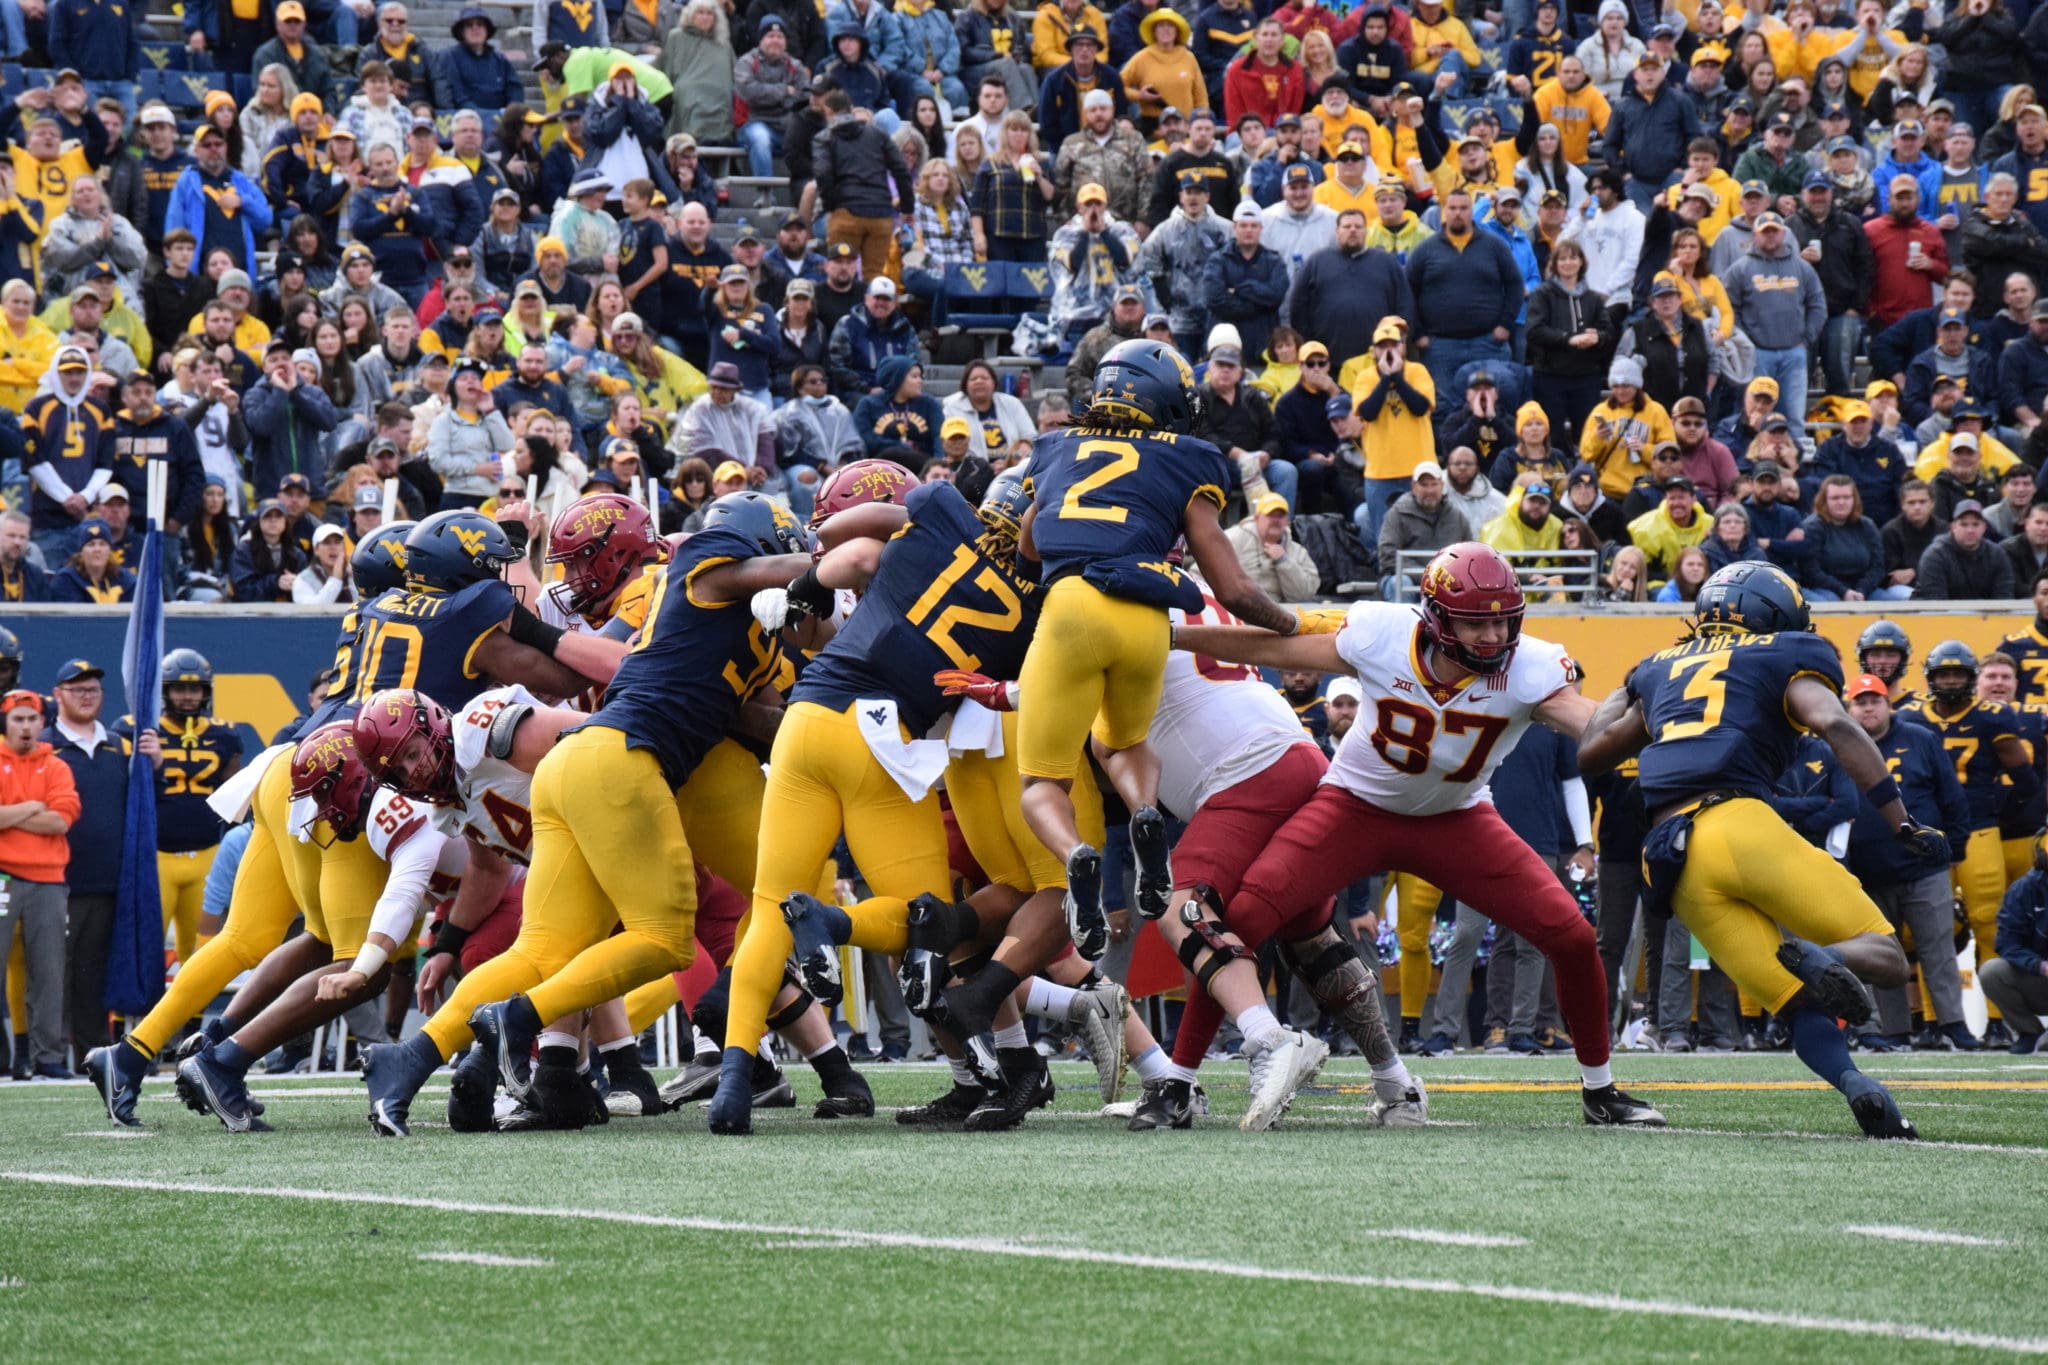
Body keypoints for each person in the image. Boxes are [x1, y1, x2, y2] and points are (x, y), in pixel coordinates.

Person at [1174, 542, 1662, 1125]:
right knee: (1244, 920)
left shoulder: (1530, 664)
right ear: (1435, 616)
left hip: (1457, 818)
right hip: (1352, 808)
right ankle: (1177, 1081)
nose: (1492, 637)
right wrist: (1177, 640)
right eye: (1475, 623)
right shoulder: (1383, 633)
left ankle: (1600, 1091)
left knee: (1572, 937)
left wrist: (1643, 717)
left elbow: (1586, 724)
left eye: (1503, 620)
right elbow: (1281, 645)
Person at [1580, 562, 1935, 1139]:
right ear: (1773, 613)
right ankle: (1822, 957)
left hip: (1672, 856)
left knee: (1797, 1006)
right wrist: (1900, 821)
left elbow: (1590, 751)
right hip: (1740, 823)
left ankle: (1856, 1085)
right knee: (1887, 957)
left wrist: (1626, 686)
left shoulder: (1657, 670)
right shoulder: (1785, 653)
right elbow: (1838, 728)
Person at [1900, 641, 2036, 1049]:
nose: (1951, 682)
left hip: (1978, 829)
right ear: (1930, 677)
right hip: (1928, 830)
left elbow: (2025, 779)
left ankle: (1996, 1020)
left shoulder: (1994, 716)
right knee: (1925, 929)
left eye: (1958, 674)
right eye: (1944, 674)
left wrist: (2000, 810)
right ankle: (1931, 1019)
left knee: (1989, 920)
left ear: (1970, 677)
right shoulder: (1909, 716)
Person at [1843, 672, 1976, 1050]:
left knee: (1938, 950)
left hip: (1923, 868)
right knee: (1882, 957)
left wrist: (1953, 849)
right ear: (1849, 708)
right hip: (1868, 872)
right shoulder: (1839, 744)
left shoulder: (1920, 738)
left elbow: (1952, 797)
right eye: (1860, 702)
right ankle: (1893, 1029)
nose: (1868, 708)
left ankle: (1953, 1023)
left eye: (1875, 700)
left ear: (1888, 704)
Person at [42, 657, 127, 1060]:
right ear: (58, 695)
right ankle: (50, 1052)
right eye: (77, 689)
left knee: (93, 972)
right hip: (54, 878)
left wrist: (155, 764)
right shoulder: (42, 744)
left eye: (92, 689)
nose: (86, 696)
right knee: (51, 972)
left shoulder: (117, 745)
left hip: (107, 880)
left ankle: (92, 1052)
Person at [0, 687, 79, 1080]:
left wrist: (9, 815)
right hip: (2, 878)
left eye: (32, 719)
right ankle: (7, 1058)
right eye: (18, 719)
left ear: (43, 723)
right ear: (6, 723)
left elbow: (61, 820)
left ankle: (48, 1056)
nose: (26, 727)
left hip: (48, 880)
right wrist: (34, 807)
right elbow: (45, 815)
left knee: (48, 971)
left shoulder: (58, 766)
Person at [812, 89, 915, 283]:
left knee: (840, 277)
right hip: (881, 215)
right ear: (850, 109)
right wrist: (907, 208)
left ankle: (842, 314)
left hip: (845, 212)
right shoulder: (878, 134)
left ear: (827, 110)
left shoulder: (824, 137)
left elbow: (823, 174)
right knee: (874, 278)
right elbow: (901, 170)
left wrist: (831, 206)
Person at [1349, 317, 1435, 545]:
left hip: (1418, 468)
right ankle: (1386, 577)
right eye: (1382, 346)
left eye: (1393, 344)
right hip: (1380, 470)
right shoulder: (1365, 377)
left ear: (1403, 346)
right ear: (1374, 350)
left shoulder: (1417, 371)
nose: (1389, 350)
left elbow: (1420, 407)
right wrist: (1387, 378)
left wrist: (1397, 377)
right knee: (1383, 537)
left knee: (1422, 533)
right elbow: (1367, 412)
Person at [1981, 843, 2048, 1053]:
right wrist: (2040, 965)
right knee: (1992, 972)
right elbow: (2007, 943)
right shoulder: (2024, 889)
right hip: (2040, 979)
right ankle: (2030, 1032)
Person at [1799, 474, 1899, 601]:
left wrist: (1862, 590)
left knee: (1890, 602)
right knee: (1832, 604)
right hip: (1826, 589)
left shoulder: (1867, 525)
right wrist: (1843, 591)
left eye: (1846, 497)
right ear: (1824, 500)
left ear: (1854, 499)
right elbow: (1811, 570)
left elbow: (1877, 566)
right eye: (1835, 498)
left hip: (1864, 589)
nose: (1841, 502)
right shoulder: (1812, 528)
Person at [1914, 496, 2017, 598]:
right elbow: (1935, 602)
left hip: (1985, 613)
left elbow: (2004, 597)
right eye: (1964, 524)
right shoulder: (1935, 556)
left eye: (1975, 524)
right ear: (1953, 527)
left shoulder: (1997, 554)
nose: (1970, 530)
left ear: (1984, 528)